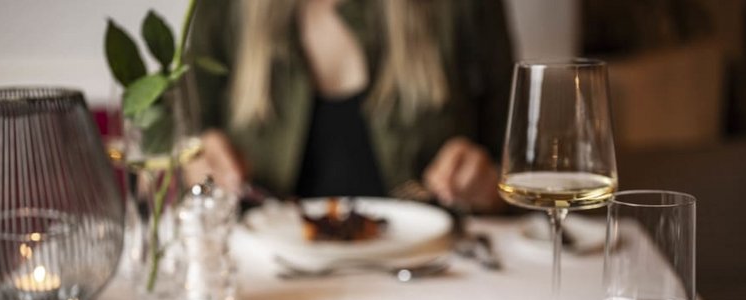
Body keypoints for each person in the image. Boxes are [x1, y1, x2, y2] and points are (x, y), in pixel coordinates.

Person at [189, 0, 513, 211]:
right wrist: (193, 164)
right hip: (272, 283)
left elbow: (527, 170)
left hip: (435, 282)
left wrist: (488, 186)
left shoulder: (465, 9)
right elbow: (176, 144)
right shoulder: (224, 9)